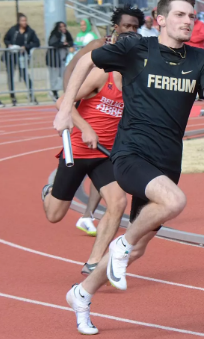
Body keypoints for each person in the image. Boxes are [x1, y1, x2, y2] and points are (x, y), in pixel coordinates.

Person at [55, 0, 204, 335]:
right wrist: (65, 107)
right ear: (160, 19)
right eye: (180, 15)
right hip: (131, 152)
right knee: (174, 202)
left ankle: (82, 294)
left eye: (191, 16)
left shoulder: (201, 60)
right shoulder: (137, 48)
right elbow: (88, 61)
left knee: (138, 250)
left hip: (168, 160)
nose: (187, 21)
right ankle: (119, 242)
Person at [42, 26, 135, 276]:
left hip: (105, 153)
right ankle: (49, 192)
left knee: (118, 202)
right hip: (80, 148)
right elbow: (62, 103)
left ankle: (94, 262)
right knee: (54, 215)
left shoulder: (136, 84)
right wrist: (85, 128)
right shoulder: (100, 76)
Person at [4, 13, 40, 106]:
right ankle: (13, 97)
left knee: (25, 75)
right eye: (22, 20)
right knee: (10, 76)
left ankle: (32, 95)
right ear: (19, 22)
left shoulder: (30, 31)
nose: (24, 22)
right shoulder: (13, 30)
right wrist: (9, 45)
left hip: (22, 56)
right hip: (12, 56)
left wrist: (26, 46)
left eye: (25, 20)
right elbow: (6, 39)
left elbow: (37, 42)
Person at [46, 21, 74, 101]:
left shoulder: (66, 34)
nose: (63, 28)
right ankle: (54, 91)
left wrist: (67, 44)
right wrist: (62, 44)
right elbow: (52, 43)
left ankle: (55, 90)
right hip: (54, 60)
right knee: (54, 77)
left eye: (64, 26)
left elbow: (71, 41)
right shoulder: (55, 34)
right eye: (61, 27)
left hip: (63, 59)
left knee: (63, 76)